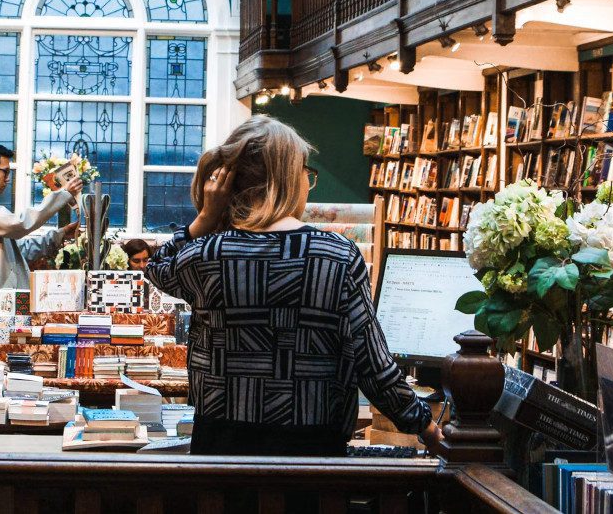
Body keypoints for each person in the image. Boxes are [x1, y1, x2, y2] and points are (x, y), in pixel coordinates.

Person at [144, 116, 443, 457]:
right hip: (311, 457)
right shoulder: (337, 257)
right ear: (290, 178)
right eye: (306, 173)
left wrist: (206, 218)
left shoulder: (207, 255)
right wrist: (425, 426)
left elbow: (157, 267)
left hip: (219, 455)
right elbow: (372, 365)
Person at [0, 142, 82, 332]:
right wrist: (63, 195)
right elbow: (20, 224)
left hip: (8, 304)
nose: (8, 179)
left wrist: (59, 235)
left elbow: (18, 250)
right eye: (5, 172)